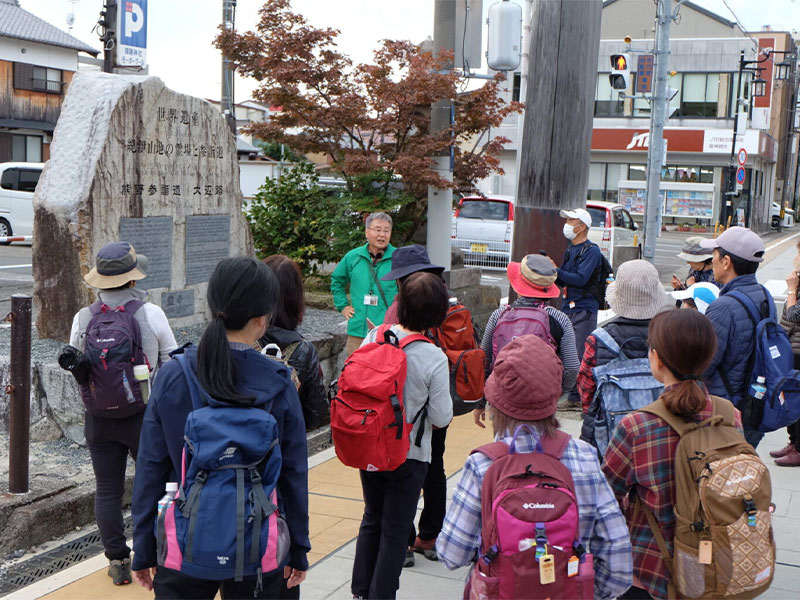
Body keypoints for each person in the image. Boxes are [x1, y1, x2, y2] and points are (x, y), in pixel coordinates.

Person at [130, 257, 310, 599]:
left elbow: (150, 465)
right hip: (261, 544)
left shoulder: (174, 375)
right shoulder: (278, 382)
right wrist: (298, 545)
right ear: (262, 319)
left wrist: (143, 545)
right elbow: (293, 472)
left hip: (186, 538)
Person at [436, 334, 633, 600]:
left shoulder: (484, 464)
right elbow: (618, 561)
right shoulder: (584, 457)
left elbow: (451, 553)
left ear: (496, 402)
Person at [603, 309, 742, 599]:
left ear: (657, 358)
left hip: (651, 568)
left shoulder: (636, 427)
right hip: (712, 564)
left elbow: (607, 500)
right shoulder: (729, 416)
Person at [69, 241, 177, 586]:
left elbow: (76, 366)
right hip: (144, 417)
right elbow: (172, 365)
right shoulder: (150, 314)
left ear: (99, 281)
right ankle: (157, 555)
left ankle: (117, 560)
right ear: (133, 281)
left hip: (98, 418)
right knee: (155, 485)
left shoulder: (84, 318)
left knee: (107, 490)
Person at [351, 272, 453, 600]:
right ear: (438, 314)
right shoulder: (434, 357)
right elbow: (441, 416)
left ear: (400, 304)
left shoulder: (374, 337)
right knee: (395, 530)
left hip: (369, 447)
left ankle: (360, 592)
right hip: (409, 456)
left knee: (372, 518)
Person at [378, 245, 448, 566]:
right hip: (429, 419)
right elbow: (441, 415)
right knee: (435, 471)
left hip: (395, 423)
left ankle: (404, 543)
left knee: (392, 490)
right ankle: (429, 536)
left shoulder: (395, 315)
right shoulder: (439, 298)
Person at [476, 253, 579, 425]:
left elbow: (484, 359)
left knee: (504, 446)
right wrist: (556, 392)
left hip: (503, 398)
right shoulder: (559, 319)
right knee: (540, 446)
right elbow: (572, 367)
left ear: (518, 284)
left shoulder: (499, 315)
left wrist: (480, 402)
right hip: (541, 399)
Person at [697, 226, 768, 447]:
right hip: (753, 405)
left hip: (723, 412)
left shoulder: (722, 307)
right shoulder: (763, 294)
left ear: (726, 262)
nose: (713, 261)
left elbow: (705, 363)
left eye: (715, 255)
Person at [576, 260, 669, 413]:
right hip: (660, 427)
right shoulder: (670, 335)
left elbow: (586, 389)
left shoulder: (599, 339)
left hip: (609, 429)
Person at [260, 254, 328, 432]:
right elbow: (318, 416)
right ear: (295, 296)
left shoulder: (240, 337)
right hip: (283, 443)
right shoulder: (303, 350)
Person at [556, 208, 605, 409]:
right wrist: (552, 271)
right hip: (569, 306)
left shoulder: (591, 250)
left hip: (584, 307)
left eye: (571, 221)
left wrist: (556, 270)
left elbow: (580, 279)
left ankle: (577, 398)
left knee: (578, 354)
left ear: (582, 226)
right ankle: (570, 394)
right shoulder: (571, 249)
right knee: (566, 352)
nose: (566, 225)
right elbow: (564, 279)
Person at [331, 212, 398, 357]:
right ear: (367, 232)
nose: (382, 235)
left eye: (386, 231)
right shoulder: (353, 256)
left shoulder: (398, 258)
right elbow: (336, 280)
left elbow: (408, 290)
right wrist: (343, 306)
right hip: (357, 331)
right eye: (378, 230)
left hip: (386, 332)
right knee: (354, 372)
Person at [772, 242, 800, 466]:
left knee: (797, 399)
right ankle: (794, 442)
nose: (796, 257)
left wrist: (792, 288)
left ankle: (799, 448)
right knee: (791, 398)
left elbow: (792, 315)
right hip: (793, 349)